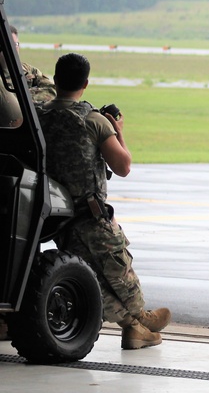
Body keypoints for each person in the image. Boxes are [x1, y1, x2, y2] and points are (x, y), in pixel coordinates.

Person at [37, 53, 170, 349]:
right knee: (121, 274)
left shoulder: (40, 117)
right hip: (92, 215)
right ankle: (141, 320)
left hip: (59, 218)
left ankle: (133, 327)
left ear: (55, 80)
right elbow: (122, 166)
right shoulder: (93, 120)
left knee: (91, 279)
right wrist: (118, 132)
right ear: (85, 83)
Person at [10, 25, 56, 102]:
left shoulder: (28, 70)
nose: (12, 48)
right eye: (8, 45)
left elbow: (52, 90)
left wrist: (25, 96)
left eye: (15, 44)